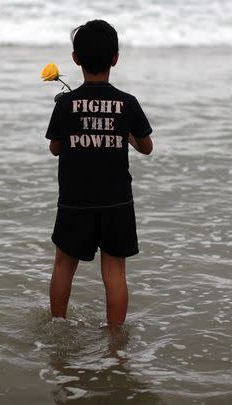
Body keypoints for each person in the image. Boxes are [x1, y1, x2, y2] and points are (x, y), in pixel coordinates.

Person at [45, 19, 153, 328]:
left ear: (75, 58)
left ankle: (59, 327)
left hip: (75, 200)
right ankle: (115, 339)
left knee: (64, 264)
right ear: (115, 58)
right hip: (116, 200)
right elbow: (146, 147)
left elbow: (55, 148)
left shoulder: (66, 103)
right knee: (115, 270)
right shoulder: (127, 103)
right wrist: (127, 134)